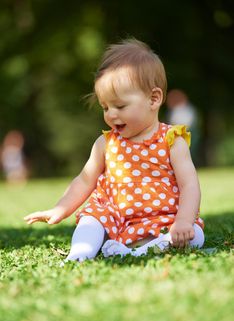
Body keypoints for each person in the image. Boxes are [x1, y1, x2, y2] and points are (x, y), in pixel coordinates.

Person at [24, 39, 204, 262]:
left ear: (154, 99)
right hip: (114, 217)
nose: (111, 115)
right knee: (92, 218)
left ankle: (137, 252)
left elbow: (189, 184)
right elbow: (85, 179)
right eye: (105, 107)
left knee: (195, 235)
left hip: (162, 218)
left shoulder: (171, 140)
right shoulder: (106, 142)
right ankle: (79, 254)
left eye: (120, 106)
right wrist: (60, 208)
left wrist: (184, 221)